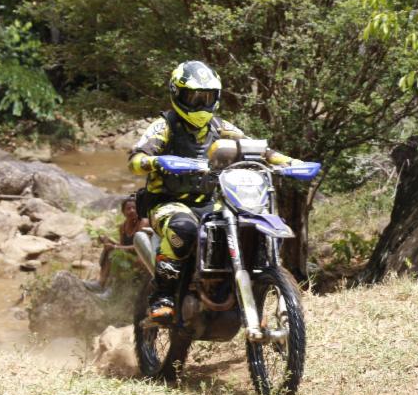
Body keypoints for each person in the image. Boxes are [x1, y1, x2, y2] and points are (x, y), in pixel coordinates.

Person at [128, 60, 300, 324]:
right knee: (183, 228)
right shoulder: (163, 127)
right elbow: (135, 160)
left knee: (251, 226)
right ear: (177, 94)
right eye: (193, 98)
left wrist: (290, 162)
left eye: (207, 98)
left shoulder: (221, 127)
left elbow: (255, 149)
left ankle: (250, 292)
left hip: (212, 202)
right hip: (169, 203)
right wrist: (156, 161)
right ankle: (162, 296)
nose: (200, 105)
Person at [85, 196, 150, 293]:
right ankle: (101, 283)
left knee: (116, 256)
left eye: (134, 208)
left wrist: (115, 247)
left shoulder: (143, 223)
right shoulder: (123, 227)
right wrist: (108, 242)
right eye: (128, 209)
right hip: (129, 256)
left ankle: (111, 291)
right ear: (123, 212)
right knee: (109, 250)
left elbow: (140, 247)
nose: (132, 211)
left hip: (142, 259)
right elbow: (122, 245)